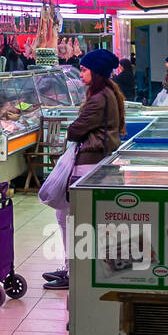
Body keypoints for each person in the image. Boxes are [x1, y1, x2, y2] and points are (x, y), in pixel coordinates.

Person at [42, 48, 126, 290]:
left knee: (72, 216)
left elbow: (75, 130)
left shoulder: (99, 98)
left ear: (96, 72)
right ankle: (71, 267)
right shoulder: (109, 92)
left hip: (89, 161)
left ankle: (74, 271)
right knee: (67, 214)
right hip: (96, 159)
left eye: (85, 69)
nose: (81, 74)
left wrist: (74, 128)